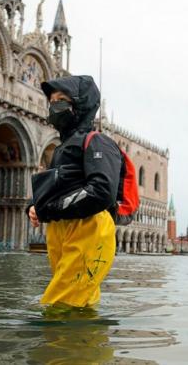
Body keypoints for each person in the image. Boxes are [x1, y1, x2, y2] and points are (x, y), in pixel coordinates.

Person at [27, 75, 121, 309]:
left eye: (61, 100)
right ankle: (85, 344)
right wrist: (34, 206)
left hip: (88, 228)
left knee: (60, 305)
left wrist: (52, 209)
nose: (54, 106)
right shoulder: (61, 149)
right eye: (51, 101)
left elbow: (101, 191)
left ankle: (64, 345)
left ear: (80, 104)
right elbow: (56, 185)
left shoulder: (98, 142)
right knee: (79, 302)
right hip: (63, 230)